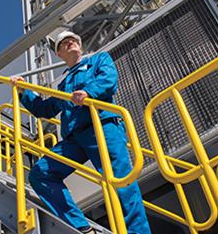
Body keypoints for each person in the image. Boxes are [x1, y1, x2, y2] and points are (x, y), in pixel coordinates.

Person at [10, 31, 152, 234]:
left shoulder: (98, 59)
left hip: (102, 127)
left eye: (73, 40)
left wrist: (88, 92)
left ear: (80, 45)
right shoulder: (64, 84)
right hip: (75, 138)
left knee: (121, 182)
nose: (70, 43)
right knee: (41, 173)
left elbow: (108, 79)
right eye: (64, 43)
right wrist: (24, 90)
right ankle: (81, 227)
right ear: (58, 54)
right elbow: (45, 109)